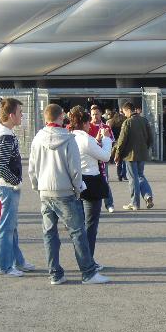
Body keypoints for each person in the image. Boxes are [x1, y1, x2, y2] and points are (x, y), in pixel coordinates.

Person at [28, 103, 109, 285]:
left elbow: (32, 168)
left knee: (49, 233)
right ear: (61, 116)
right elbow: (75, 169)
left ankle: (55, 273)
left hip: (45, 191)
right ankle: (88, 272)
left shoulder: (37, 138)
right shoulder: (68, 139)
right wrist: (77, 188)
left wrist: (37, 185)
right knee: (78, 232)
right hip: (65, 191)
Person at [0, 97, 34, 278]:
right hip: (5, 187)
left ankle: (17, 261)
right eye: (20, 113)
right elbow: (1, 166)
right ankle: (2, 267)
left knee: (10, 226)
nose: (22, 116)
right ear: (12, 115)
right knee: (5, 228)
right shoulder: (5, 136)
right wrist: (15, 181)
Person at [69, 106, 112, 271]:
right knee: (90, 225)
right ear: (85, 123)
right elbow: (105, 156)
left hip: (75, 180)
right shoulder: (86, 139)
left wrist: (97, 140)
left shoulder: (71, 137)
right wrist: (106, 140)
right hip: (91, 181)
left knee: (78, 225)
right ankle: (88, 261)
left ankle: (82, 258)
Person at [114, 102, 154, 211]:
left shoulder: (127, 122)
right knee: (140, 175)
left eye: (123, 112)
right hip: (142, 153)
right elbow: (151, 137)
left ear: (128, 110)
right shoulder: (144, 120)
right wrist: (146, 148)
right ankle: (147, 196)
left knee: (133, 178)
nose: (123, 114)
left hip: (130, 155)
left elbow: (121, 141)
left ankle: (134, 203)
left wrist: (117, 154)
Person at [89, 105, 115, 213]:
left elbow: (112, 140)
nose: (95, 116)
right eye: (93, 114)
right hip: (90, 158)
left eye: (97, 114)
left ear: (101, 114)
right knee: (90, 181)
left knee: (104, 181)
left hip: (102, 158)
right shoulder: (87, 127)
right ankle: (92, 204)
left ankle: (109, 204)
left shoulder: (106, 127)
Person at [107, 110, 127, 181]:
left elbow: (111, 135)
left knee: (118, 160)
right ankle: (124, 174)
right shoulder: (123, 125)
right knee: (124, 160)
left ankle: (119, 175)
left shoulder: (112, 125)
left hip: (115, 143)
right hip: (123, 143)